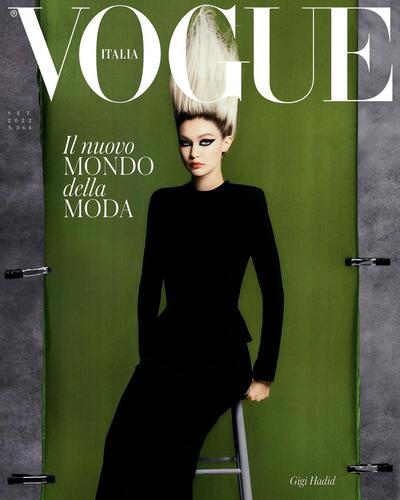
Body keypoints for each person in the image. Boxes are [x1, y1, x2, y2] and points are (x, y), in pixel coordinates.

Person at [95, 7, 284, 500]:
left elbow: (274, 291)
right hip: (166, 354)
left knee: (171, 455)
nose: (194, 153)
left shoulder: (248, 202)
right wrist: (148, 362)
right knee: (120, 446)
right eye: (185, 143)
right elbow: (148, 289)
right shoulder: (164, 203)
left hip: (222, 359)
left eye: (204, 141)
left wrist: (264, 373)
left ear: (227, 141)